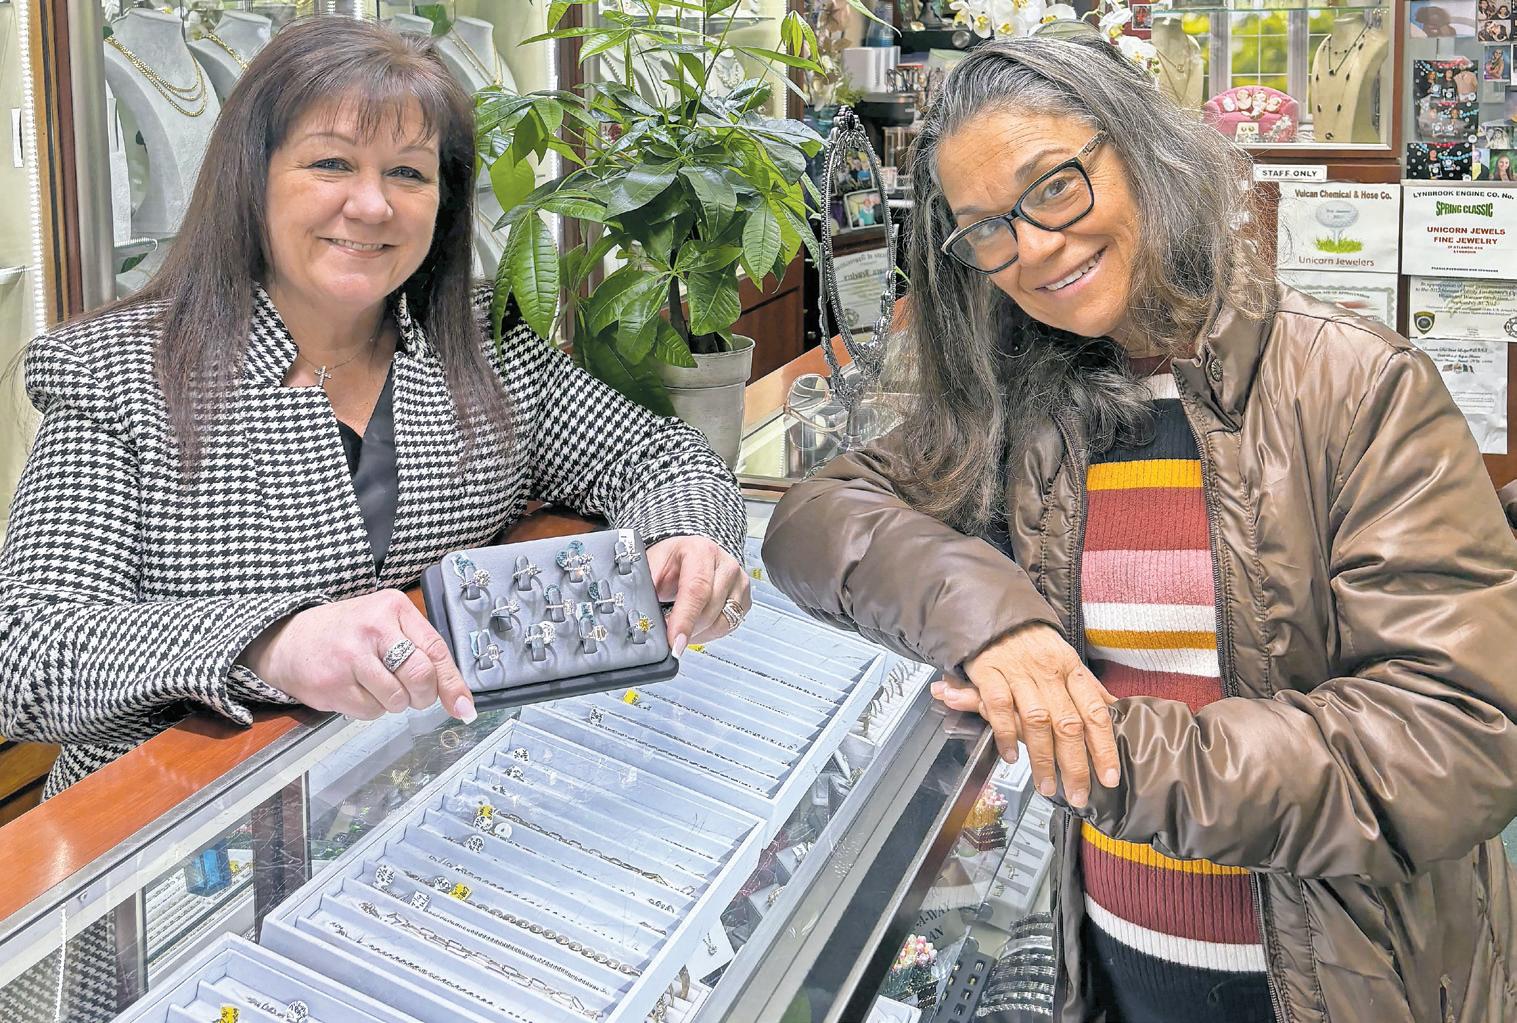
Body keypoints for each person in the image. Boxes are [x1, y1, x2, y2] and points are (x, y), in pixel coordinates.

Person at [763, 36, 1517, 1023]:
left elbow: (1450, 742)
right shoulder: (1030, 405)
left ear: (1144, 153)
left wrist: (1103, 750)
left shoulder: (1355, 387)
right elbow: (812, 519)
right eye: (985, 229)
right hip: (1114, 973)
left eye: (1055, 187)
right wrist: (991, 619)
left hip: (1350, 983)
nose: (1032, 247)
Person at [0, 18, 750, 800]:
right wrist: (270, 644)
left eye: (407, 173)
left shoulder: (482, 345)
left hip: (417, 788)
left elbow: (659, 456)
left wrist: (687, 536)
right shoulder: (117, 372)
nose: (371, 204)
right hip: (169, 823)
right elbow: (27, 649)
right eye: (330, 162)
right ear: (252, 178)